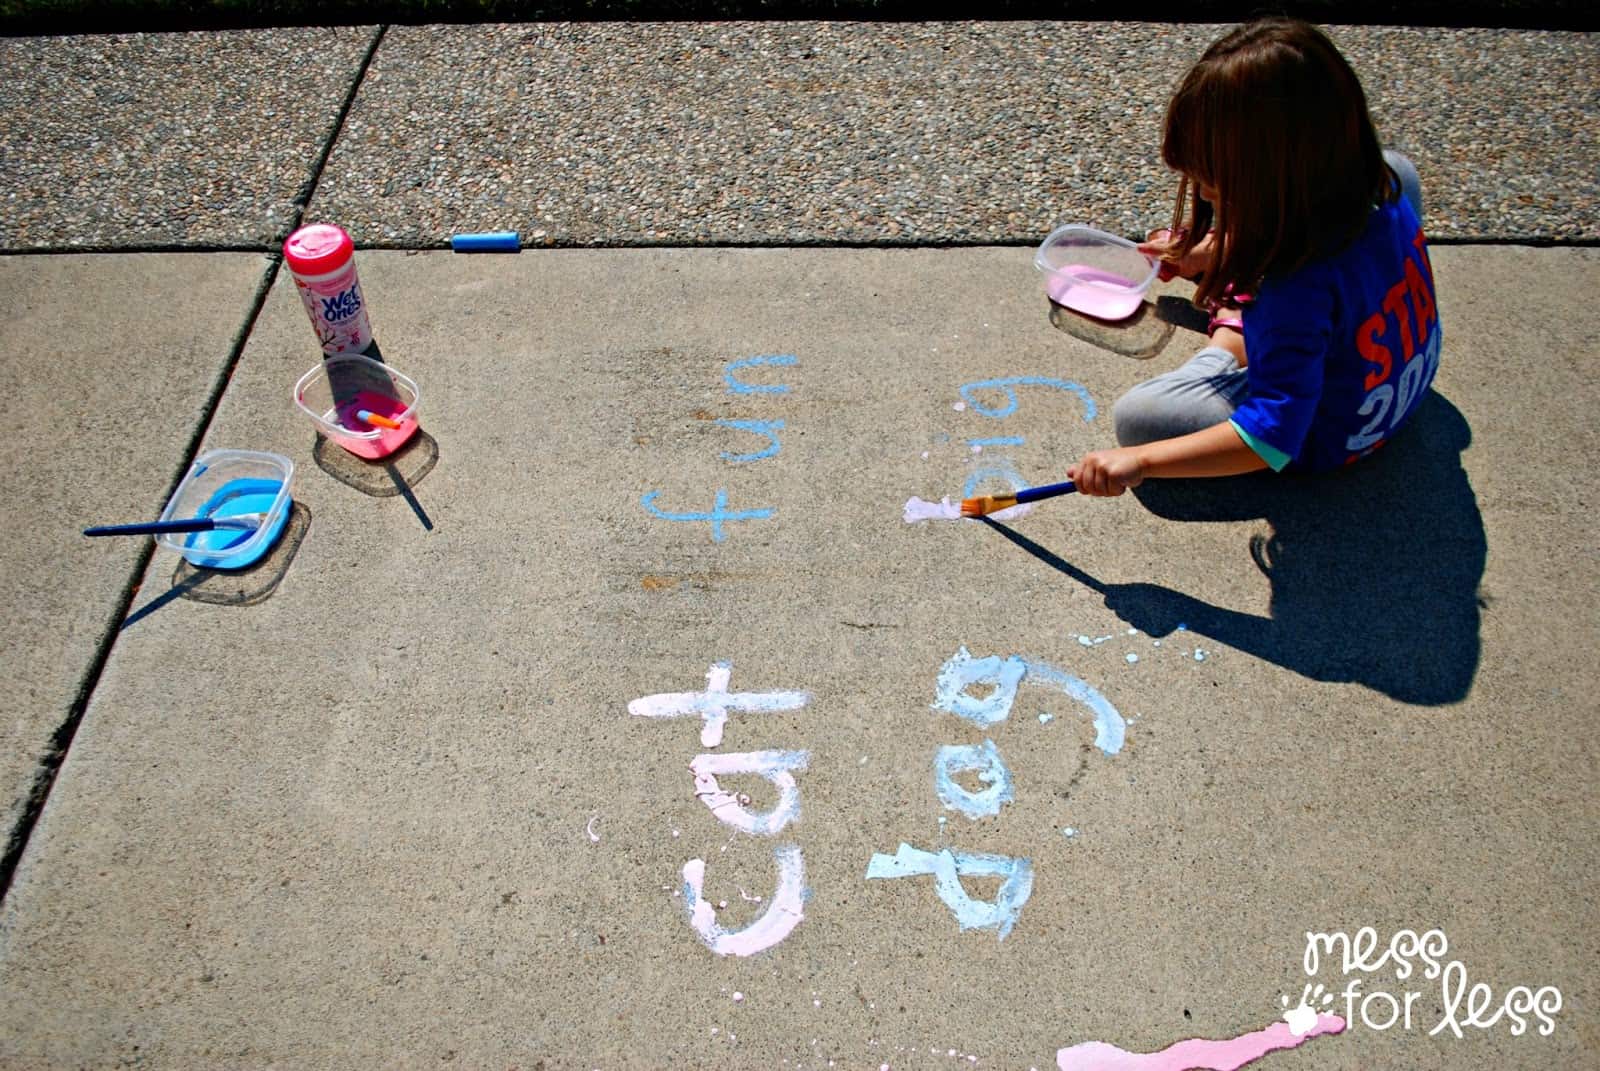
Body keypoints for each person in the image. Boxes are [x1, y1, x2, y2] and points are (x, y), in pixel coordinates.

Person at [1067, 18, 1440, 496]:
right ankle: (1245, 317)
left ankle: (1230, 342)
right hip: (1398, 384)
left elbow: (1271, 440)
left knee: (1140, 419)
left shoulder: (1292, 292)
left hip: (1331, 436)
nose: (1202, 193)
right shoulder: (1379, 181)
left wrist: (1138, 462)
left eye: (1218, 188)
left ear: (1272, 182)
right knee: (1399, 168)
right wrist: (1218, 249)